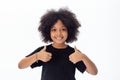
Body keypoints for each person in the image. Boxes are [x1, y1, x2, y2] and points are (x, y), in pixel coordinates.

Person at [18, 8, 98, 80]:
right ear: (48, 31)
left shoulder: (74, 53)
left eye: (63, 29)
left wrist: (83, 57)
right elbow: (21, 65)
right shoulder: (44, 51)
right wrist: (37, 56)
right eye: (54, 30)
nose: (58, 33)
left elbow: (94, 72)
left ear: (69, 31)